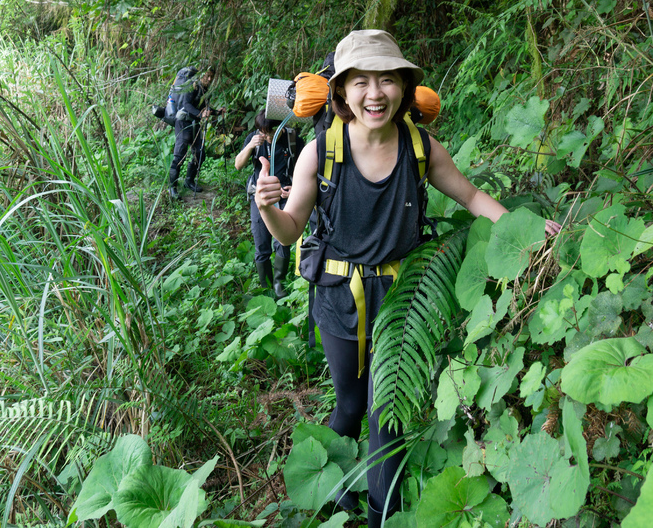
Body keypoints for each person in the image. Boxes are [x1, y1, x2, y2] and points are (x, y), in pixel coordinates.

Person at [254, 30, 561, 525]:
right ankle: (337, 494)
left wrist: (524, 228)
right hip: (339, 299)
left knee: (385, 414)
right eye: (361, 82)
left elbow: (471, 197)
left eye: (387, 80)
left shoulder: (420, 147)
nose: (375, 93)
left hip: (404, 300)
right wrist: (267, 208)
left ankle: (382, 516)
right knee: (350, 407)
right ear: (341, 92)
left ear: (403, 87)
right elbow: (288, 233)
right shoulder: (322, 152)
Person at [234, 110, 305, 298]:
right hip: (260, 196)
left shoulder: (292, 140)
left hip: (283, 197)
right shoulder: (255, 139)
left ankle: (279, 284)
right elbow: (238, 165)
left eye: (269, 132)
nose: (265, 136)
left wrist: (293, 188)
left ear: (279, 127)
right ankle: (265, 287)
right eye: (261, 132)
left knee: (282, 242)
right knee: (261, 243)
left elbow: (303, 168)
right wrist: (250, 145)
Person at [168, 66, 220, 198]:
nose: (209, 79)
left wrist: (216, 112)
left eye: (211, 77)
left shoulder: (205, 90)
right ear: (201, 75)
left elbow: (204, 108)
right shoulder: (192, 86)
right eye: (207, 76)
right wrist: (201, 114)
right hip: (183, 122)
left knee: (200, 153)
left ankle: (189, 181)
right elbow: (186, 105)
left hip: (194, 123)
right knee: (180, 155)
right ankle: (172, 188)